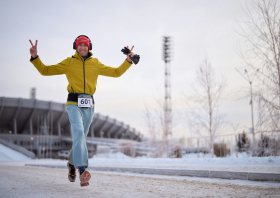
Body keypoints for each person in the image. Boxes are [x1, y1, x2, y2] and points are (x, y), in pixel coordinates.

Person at [29, 35, 135, 187]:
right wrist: (35, 58)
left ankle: (71, 164)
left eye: (85, 45)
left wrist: (128, 61)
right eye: (80, 45)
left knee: (81, 138)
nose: (82, 48)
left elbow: (116, 73)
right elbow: (45, 71)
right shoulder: (69, 62)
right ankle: (82, 170)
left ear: (89, 47)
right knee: (78, 132)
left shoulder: (95, 63)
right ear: (75, 47)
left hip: (89, 104)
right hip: (73, 102)